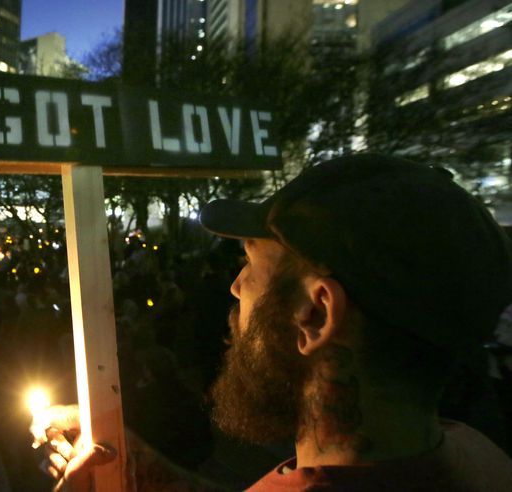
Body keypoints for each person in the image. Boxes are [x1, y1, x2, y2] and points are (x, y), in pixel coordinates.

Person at [35, 154, 512, 491]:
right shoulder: (479, 456)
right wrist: (143, 471)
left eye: (251, 265)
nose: (236, 286)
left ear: (316, 314)